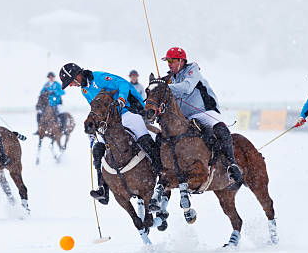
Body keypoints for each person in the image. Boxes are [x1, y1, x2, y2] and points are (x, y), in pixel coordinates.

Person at [148, 47, 244, 208]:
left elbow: (186, 88)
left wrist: (163, 87)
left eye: (172, 61)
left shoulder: (192, 70)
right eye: (168, 61)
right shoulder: (169, 78)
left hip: (204, 111)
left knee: (220, 129)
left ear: (181, 61)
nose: (169, 64)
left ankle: (232, 165)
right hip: (184, 118)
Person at [59, 63, 162, 204]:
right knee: (97, 148)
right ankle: (103, 188)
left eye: (70, 82)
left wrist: (121, 99)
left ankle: (162, 174)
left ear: (77, 75)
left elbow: (123, 84)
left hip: (128, 111)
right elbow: (95, 108)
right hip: (110, 121)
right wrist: (94, 127)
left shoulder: (99, 77)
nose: (70, 85)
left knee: (143, 138)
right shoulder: (84, 91)